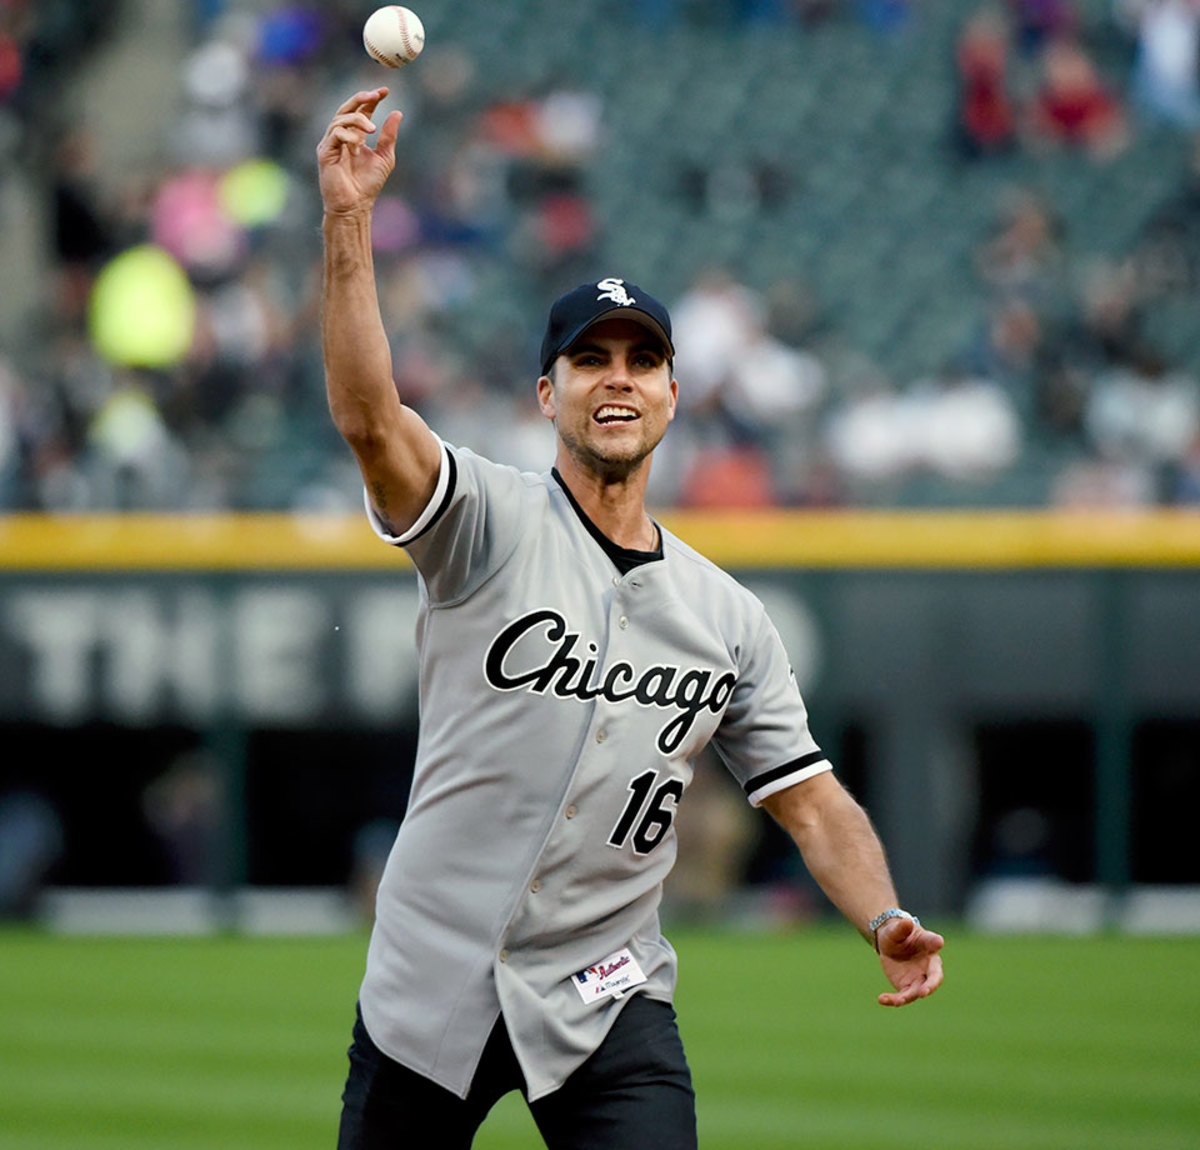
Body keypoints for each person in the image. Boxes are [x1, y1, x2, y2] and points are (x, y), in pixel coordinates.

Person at [317, 86, 945, 1150]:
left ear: (670, 393)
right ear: (545, 391)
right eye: (590, 359)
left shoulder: (728, 615)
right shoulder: (482, 518)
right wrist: (347, 221)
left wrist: (883, 914)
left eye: (641, 359)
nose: (618, 379)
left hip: (606, 995)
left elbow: (808, 799)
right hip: (431, 985)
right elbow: (373, 420)